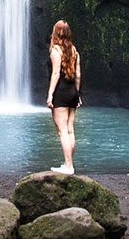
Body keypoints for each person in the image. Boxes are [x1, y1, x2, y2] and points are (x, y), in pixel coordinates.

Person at [46, 20, 82, 175]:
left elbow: (55, 73)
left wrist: (50, 95)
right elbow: (78, 75)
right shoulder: (74, 50)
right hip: (72, 92)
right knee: (70, 130)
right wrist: (77, 94)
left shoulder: (55, 50)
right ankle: (69, 163)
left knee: (62, 131)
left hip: (60, 92)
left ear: (56, 32)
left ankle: (68, 166)